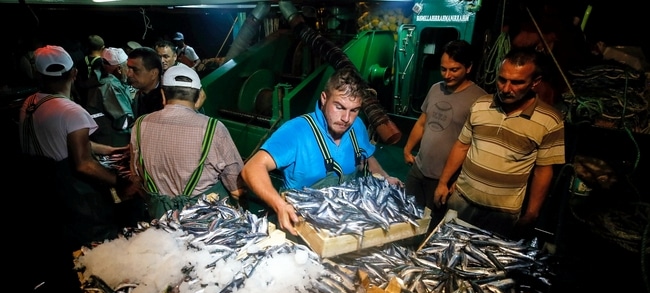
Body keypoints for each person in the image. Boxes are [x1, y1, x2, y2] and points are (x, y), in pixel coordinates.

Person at [241, 67, 402, 236]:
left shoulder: (357, 127)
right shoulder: (296, 131)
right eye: (339, 107)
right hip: (300, 226)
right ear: (324, 98)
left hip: (343, 220)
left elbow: (368, 156)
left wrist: (384, 178)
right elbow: (252, 167)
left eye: (354, 110)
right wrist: (279, 205)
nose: (346, 119)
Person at [433, 47, 566, 238]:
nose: (506, 88)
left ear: (535, 82)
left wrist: (531, 214)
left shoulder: (550, 120)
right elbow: (462, 145)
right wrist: (443, 182)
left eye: (517, 82)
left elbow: (543, 170)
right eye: (502, 79)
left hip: (502, 213)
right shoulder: (480, 105)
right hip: (462, 200)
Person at [18, 45, 140, 252]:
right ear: (74, 73)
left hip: (45, 190)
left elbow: (63, 139)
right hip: (76, 196)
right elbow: (84, 164)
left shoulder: (30, 103)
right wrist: (121, 182)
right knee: (97, 247)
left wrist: (108, 150)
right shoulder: (71, 111)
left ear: (38, 75)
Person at [130, 65, 245, 220]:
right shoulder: (212, 128)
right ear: (199, 97)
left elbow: (136, 176)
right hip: (205, 225)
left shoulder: (140, 124)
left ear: (163, 95)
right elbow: (236, 188)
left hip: (161, 220)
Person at [403, 40, 486, 227]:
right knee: (406, 215)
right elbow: (422, 122)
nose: (447, 75)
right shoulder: (435, 88)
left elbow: (475, 145)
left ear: (469, 67)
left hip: (444, 179)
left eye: (454, 70)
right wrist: (408, 149)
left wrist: (457, 180)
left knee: (433, 226)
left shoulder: (480, 99)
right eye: (443, 69)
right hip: (419, 169)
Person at [85, 47, 134, 147]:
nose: (129, 72)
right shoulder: (111, 86)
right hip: (115, 142)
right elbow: (122, 121)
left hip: (100, 139)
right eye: (127, 67)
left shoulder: (100, 79)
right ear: (119, 69)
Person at [155, 39, 207, 110]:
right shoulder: (158, 70)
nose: (162, 60)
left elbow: (202, 96)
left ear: (175, 57)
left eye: (166, 57)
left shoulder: (185, 71)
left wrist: (190, 113)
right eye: (159, 57)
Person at [127, 46, 164, 119]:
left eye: (135, 70)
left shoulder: (168, 100)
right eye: (128, 68)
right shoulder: (136, 94)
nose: (129, 74)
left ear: (154, 73)